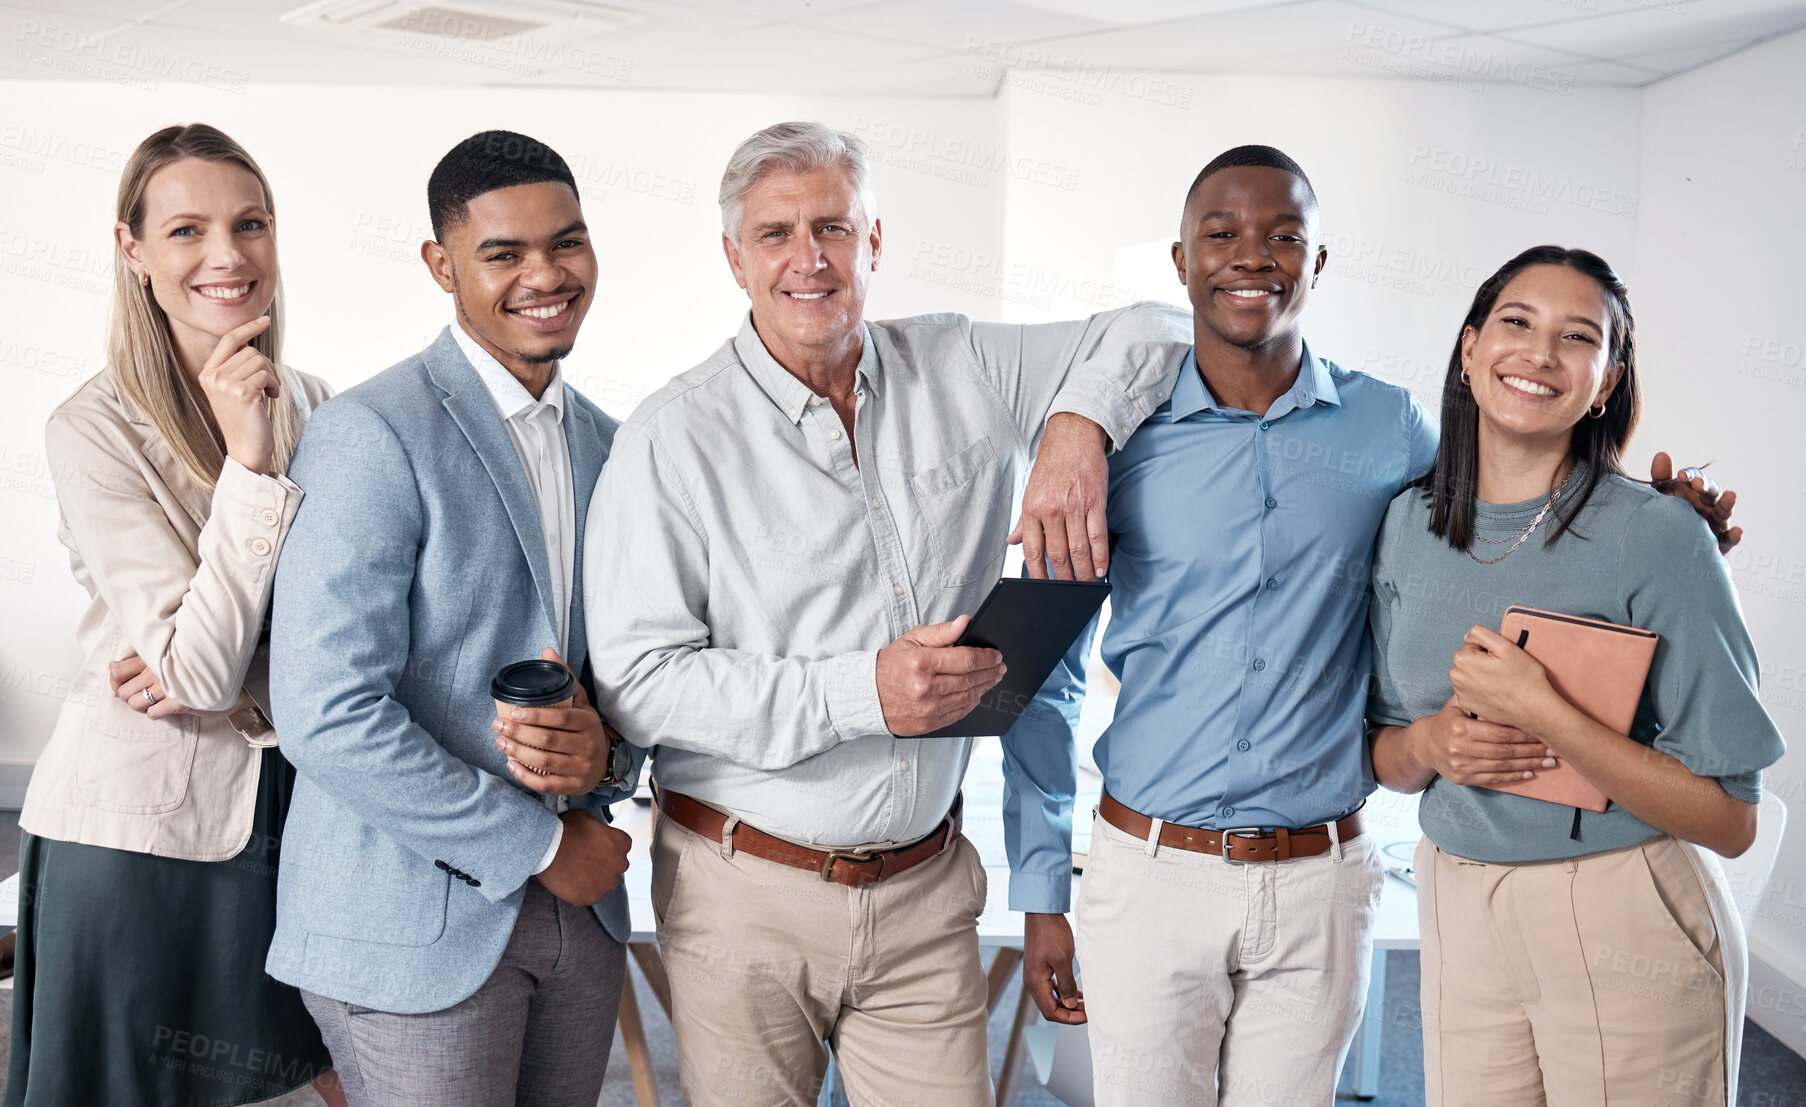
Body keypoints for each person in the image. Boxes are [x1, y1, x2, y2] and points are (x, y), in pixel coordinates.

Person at [1001, 148, 1743, 1107]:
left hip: (1322, 879)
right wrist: (1039, 894)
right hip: (1147, 878)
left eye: (1284, 236)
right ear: (1180, 262)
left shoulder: (1389, 427)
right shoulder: (1114, 441)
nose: (1251, 256)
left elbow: (1514, 513)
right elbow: (1042, 675)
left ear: (1318, 263)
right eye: (1219, 235)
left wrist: (1667, 515)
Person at [583, 120, 1189, 1106]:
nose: (808, 260)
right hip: (744, 900)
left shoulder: (960, 365)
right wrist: (861, 693)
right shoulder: (672, 439)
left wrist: (1077, 428)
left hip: (923, 894)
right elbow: (640, 685)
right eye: (776, 235)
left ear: (875, 240)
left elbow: (1161, 325)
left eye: (832, 226)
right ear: (734, 258)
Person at [265, 130, 641, 1107]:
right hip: (408, 920)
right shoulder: (370, 434)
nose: (545, 275)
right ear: (442, 265)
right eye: (503, 253)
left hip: (581, 918)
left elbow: (628, 679)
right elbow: (326, 710)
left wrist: (606, 760)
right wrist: (545, 849)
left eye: (567, 242)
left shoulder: (612, 446)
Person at [1366, 245, 1784, 1106]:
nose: (1539, 354)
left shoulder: (1662, 537)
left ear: (1605, 382)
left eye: (1577, 337)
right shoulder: (1404, 523)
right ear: (1471, 347)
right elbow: (1382, 751)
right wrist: (1432, 741)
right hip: (1457, 895)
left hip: (1619, 905)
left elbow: (1730, 819)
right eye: (1517, 323)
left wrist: (1546, 713)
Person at [8, 123, 342, 1107]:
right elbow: (191, 675)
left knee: (353, 1072)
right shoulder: (91, 428)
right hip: (139, 835)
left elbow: (360, 634)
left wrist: (232, 665)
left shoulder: (319, 405)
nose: (227, 255)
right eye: (187, 229)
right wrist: (247, 466)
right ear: (133, 250)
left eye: (250, 224)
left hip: (300, 812)